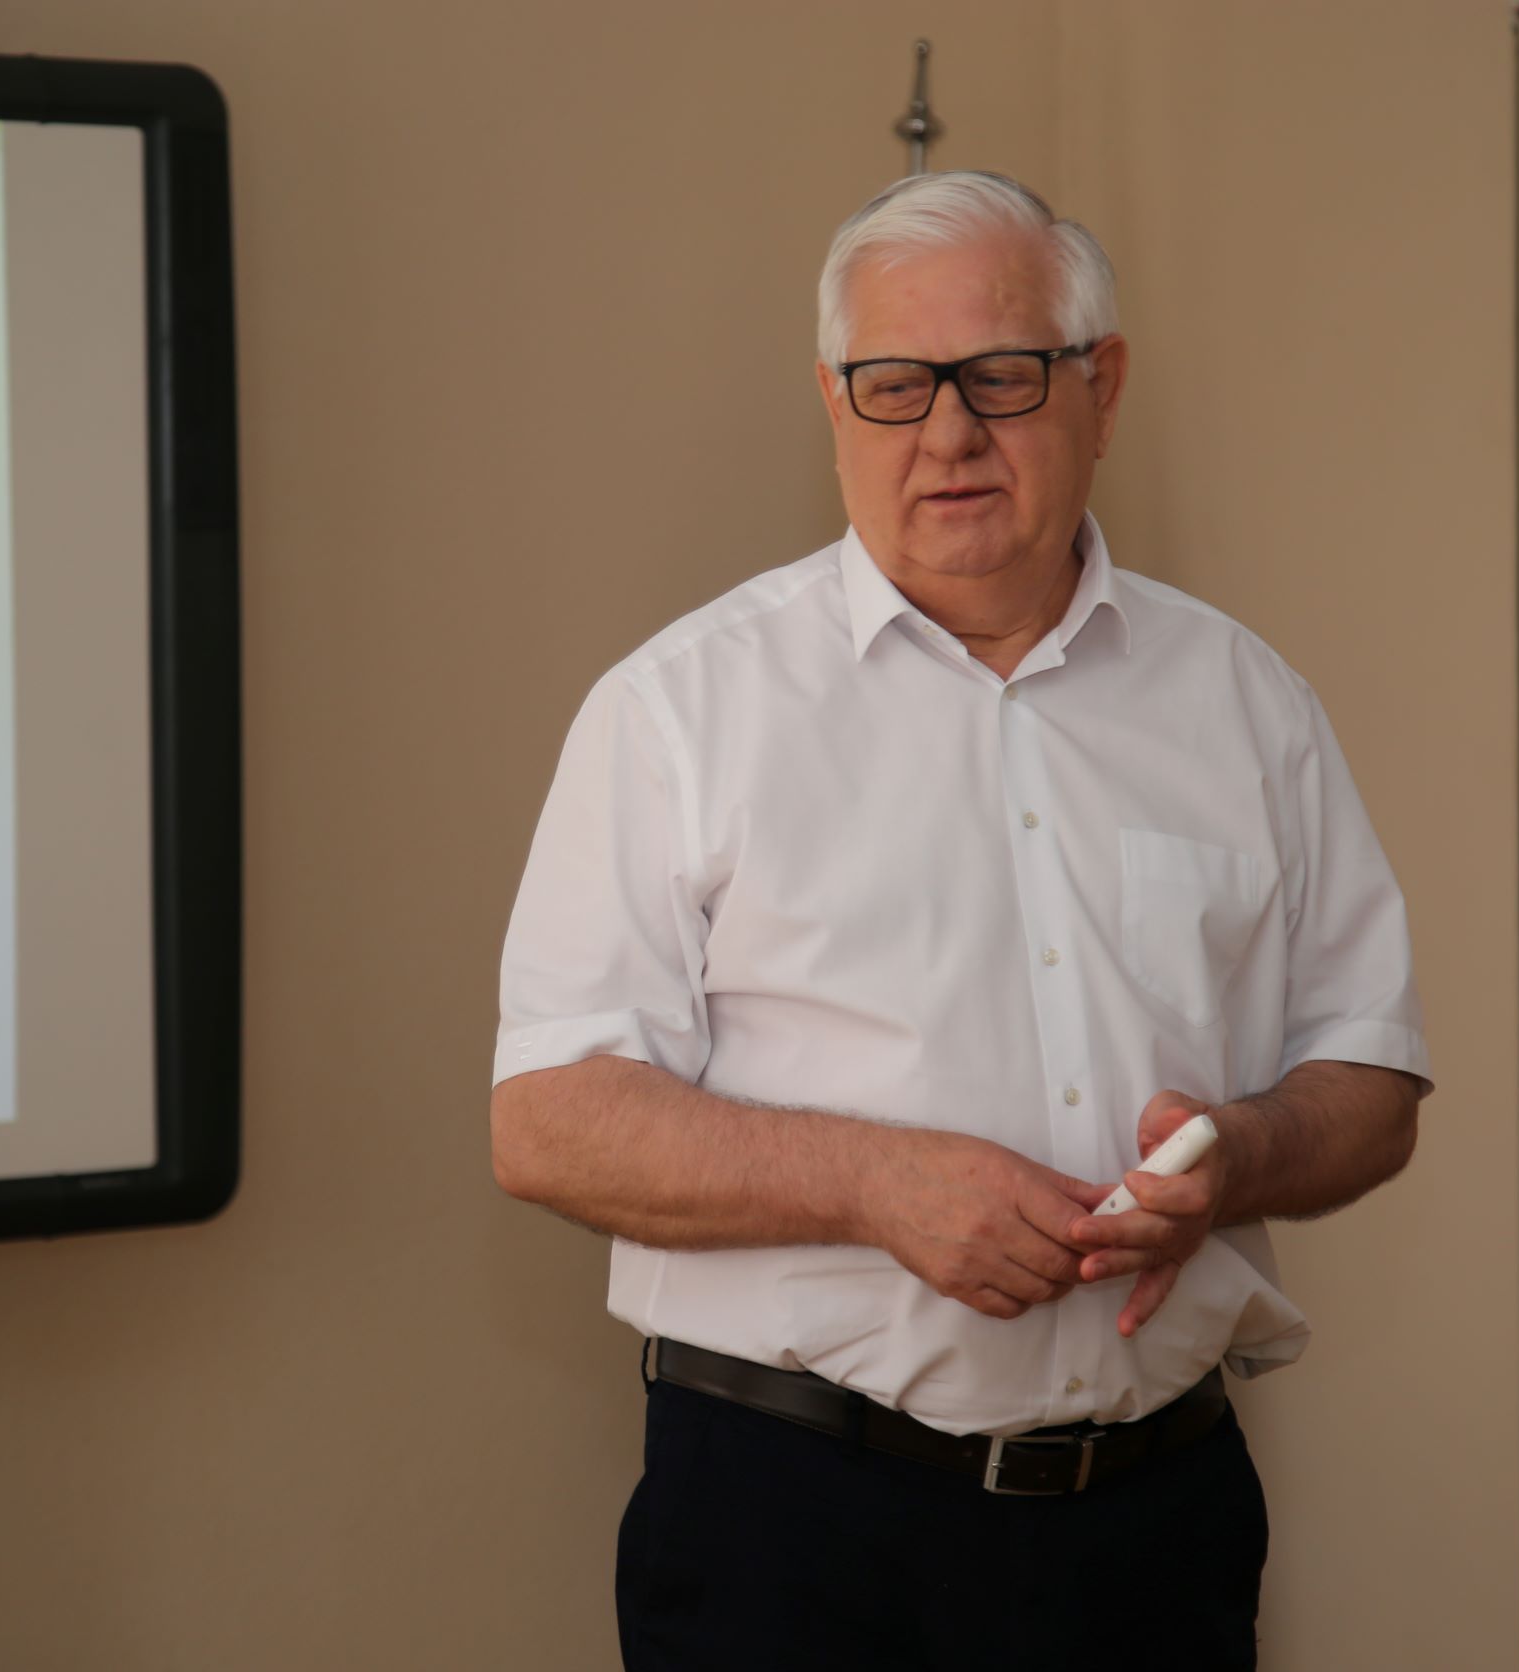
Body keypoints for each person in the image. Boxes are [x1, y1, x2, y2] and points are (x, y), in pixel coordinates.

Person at [489, 170, 1431, 1671]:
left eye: (1001, 375)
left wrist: (1239, 1158)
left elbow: (1370, 1081)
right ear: (833, 400)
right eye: (893, 384)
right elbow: (549, 1121)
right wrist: (876, 1186)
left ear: (1101, 385)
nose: (946, 434)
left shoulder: (1248, 704)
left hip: (1158, 1533)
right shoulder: (680, 709)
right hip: (793, 1533)